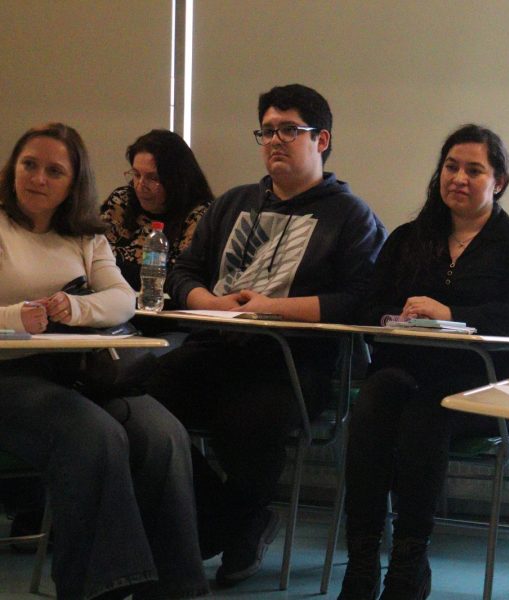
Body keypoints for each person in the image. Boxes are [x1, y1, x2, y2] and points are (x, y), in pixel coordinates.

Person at [145, 84, 386, 587]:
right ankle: (234, 518)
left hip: (293, 364)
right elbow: (182, 272)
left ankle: (230, 523)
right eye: (268, 130)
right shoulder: (233, 202)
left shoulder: (351, 216)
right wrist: (210, 302)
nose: (275, 140)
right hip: (213, 348)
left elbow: (361, 300)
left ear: (321, 140)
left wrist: (271, 307)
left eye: (289, 130)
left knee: (247, 419)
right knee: (137, 399)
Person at [338, 124, 509, 600]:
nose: (458, 178)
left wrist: (451, 314)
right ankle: (362, 560)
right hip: (404, 370)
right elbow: (366, 305)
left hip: (482, 384)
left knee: (428, 412)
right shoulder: (408, 239)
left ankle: (409, 562)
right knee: (373, 401)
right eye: (451, 167)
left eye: (474, 170)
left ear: (498, 182)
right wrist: (397, 317)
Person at [0, 123, 208, 599]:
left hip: (74, 371)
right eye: (29, 165)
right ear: (12, 167)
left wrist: (74, 308)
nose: (38, 178)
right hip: (8, 372)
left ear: (74, 183)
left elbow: (122, 299)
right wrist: (15, 316)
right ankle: (99, 590)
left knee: (163, 434)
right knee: (94, 435)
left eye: (54, 171)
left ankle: (177, 589)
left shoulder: (85, 235)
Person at [100, 129, 214, 290]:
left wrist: (114, 271)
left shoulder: (200, 215)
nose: (140, 186)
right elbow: (93, 260)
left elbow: (178, 280)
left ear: (177, 179)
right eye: (136, 175)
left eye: (153, 178)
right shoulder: (121, 201)